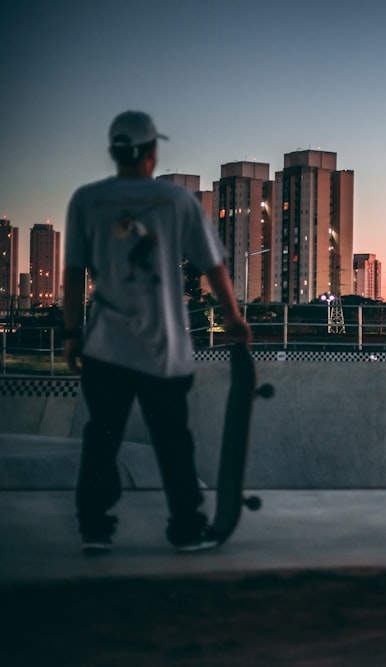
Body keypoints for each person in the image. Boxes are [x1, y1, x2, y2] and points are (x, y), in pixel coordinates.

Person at [63, 110, 251, 554]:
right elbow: (213, 266)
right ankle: (186, 529)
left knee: (101, 438)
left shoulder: (86, 200)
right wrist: (233, 318)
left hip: (105, 347)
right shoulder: (176, 201)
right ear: (151, 152)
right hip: (162, 349)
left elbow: (72, 274)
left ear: (113, 152)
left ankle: (94, 529)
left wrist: (72, 333)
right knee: (172, 441)